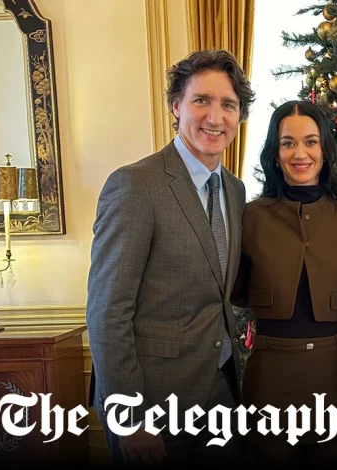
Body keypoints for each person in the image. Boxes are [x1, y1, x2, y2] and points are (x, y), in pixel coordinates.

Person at [86, 49, 255, 466]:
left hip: (221, 394)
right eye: (202, 100)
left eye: (228, 105)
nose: (215, 117)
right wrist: (129, 417)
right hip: (153, 405)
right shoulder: (134, 185)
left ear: (239, 117)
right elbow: (108, 311)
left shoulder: (234, 191)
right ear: (176, 105)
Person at [231, 100, 337, 466]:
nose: (300, 153)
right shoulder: (250, 217)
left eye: (310, 141)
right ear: (275, 153)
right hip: (269, 376)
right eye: (288, 143)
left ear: (324, 148)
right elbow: (231, 293)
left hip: (333, 375)